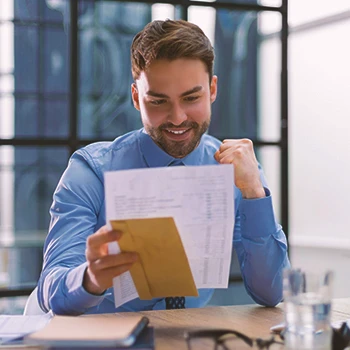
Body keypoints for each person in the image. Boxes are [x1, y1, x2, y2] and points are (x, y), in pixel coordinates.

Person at [37, 19, 290, 315]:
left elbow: (271, 292)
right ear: (136, 98)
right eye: (158, 101)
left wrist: (254, 193)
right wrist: (90, 279)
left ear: (212, 89)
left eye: (191, 98)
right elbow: (50, 289)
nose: (178, 117)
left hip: (189, 339)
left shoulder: (236, 169)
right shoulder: (91, 172)